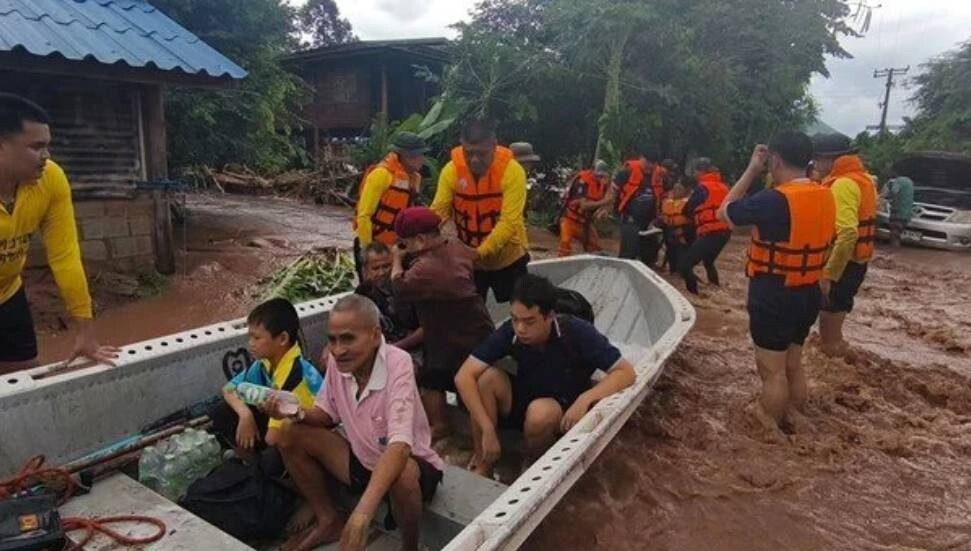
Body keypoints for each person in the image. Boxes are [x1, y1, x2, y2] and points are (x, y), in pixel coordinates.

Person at [268, 295, 444, 551]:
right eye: (332, 339)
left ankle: (410, 546)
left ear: (374, 335)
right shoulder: (337, 364)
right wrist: (294, 410)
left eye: (348, 338)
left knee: (403, 473)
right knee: (289, 433)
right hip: (362, 458)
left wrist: (362, 514)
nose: (337, 350)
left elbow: (400, 446)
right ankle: (328, 519)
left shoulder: (398, 364)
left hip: (409, 465)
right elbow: (326, 414)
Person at [454, 274, 636, 477]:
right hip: (525, 395)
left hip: (560, 409)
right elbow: (464, 376)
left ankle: (533, 462)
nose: (521, 329)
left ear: (549, 316)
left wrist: (586, 399)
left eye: (530, 321)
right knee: (487, 379)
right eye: (515, 319)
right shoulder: (511, 331)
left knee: (540, 413)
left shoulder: (577, 332)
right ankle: (483, 460)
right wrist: (487, 429)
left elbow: (626, 373)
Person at [716, 133, 836, 427]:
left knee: (772, 372)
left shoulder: (772, 200)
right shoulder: (825, 194)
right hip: (809, 292)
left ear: (775, 160)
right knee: (793, 365)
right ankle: (794, 422)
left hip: (774, 294)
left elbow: (724, 212)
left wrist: (752, 170)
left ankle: (770, 435)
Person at [0, 93, 118, 374]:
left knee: (24, 374)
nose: (47, 156)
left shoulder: (50, 179)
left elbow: (65, 256)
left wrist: (85, 332)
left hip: (7, 292)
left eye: (47, 146)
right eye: (36, 147)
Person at [390, 207, 495, 439]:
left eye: (405, 243)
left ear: (419, 239)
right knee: (449, 377)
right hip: (477, 328)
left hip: (450, 336)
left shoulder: (424, 268)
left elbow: (398, 286)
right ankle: (466, 429)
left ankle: (442, 426)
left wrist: (397, 259)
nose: (404, 248)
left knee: (436, 377)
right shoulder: (458, 248)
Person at [431, 119, 529, 303]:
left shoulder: (513, 171)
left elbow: (509, 222)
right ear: (462, 146)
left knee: (522, 308)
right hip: (471, 262)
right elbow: (439, 210)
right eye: (469, 153)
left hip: (509, 258)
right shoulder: (451, 171)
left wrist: (478, 252)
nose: (474, 159)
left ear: (493, 145)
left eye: (481, 153)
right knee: (469, 313)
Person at [215, 298, 324, 451]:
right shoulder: (264, 363)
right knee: (222, 411)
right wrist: (245, 415)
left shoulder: (295, 376)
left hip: (308, 432)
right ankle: (249, 459)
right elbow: (229, 389)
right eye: (250, 337)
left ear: (282, 339)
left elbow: (272, 438)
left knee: (272, 454)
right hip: (278, 419)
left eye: (257, 338)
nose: (250, 343)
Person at [812, 133, 878, 357]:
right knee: (833, 336)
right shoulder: (863, 178)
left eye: (816, 159)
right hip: (855, 264)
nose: (815, 165)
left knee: (829, 341)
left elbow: (847, 234)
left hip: (843, 267)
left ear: (828, 159)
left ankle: (841, 383)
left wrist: (829, 274)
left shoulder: (843, 184)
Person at [353, 132, 428, 275]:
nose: (422, 160)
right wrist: (368, 250)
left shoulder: (415, 178)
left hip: (396, 247)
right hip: (373, 244)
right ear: (405, 156)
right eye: (419, 156)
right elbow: (364, 215)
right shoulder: (381, 175)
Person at [354, 241, 422, 355]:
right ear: (365, 270)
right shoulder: (363, 292)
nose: (382, 272)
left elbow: (425, 329)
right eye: (375, 268)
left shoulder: (407, 286)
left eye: (386, 266)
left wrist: (393, 349)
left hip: (410, 349)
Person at [679, 158, 731, 295]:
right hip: (725, 233)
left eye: (695, 171)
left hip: (711, 233)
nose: (694, 175)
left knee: (685, 266)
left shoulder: (702, 188)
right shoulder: (724, 186)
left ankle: (694, 296)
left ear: (700, 172)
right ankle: (716, 291)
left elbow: (687, 210)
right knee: (708, 261)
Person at [557, 160, 615, 256]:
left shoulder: (604, 183)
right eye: (598, 175)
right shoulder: (582, 181)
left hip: (585, 222)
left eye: (601, 176)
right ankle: (560, 265)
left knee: (594, 247)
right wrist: (605, 202)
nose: (599, 178)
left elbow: (610, 198)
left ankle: (593, 267)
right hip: (569, 219)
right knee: (565, 243)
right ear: (592, 171)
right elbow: (584, 206)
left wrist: (605, 209)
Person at [613, 155, 660, 264]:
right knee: (628, 254)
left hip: (650, 222)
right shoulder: (627, 171)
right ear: (642, 159)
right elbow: (613, 189)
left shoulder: (659, 175)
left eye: (653, 163)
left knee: (649, 256)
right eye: (648, 162)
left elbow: (666, 193)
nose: (650, 166)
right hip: (630, 218)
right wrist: (607, 206)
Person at [657, 181, 693, 274]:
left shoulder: (688, 204)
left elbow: (693, 222)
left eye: (680, 189)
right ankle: (672, 270)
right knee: (671, 252)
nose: (677, 191)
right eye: (675, 189)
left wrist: (683, 231)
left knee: (682, 253)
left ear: (685, 191)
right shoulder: (667, 202)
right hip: (669, 231)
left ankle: (682, 271)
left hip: (683, 232)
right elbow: (663, 218)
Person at [882, 170, 915, 248]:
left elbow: (894, 191)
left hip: (898, 212)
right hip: (907, 213)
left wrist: (893, 204)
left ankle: (893, 252)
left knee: (894, 232)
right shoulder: (909, 181)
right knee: (898, 232)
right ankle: (896, 251)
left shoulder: (897, 181)